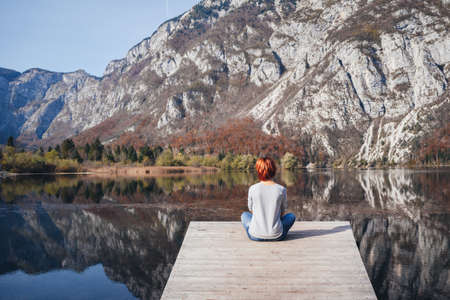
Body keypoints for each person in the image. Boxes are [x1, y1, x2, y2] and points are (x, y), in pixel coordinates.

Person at [241, 157, 296, 241]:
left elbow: (251, 209)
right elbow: (282, 212)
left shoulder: (252, 188)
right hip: (277, 236)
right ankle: (273, 229)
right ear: (273, 170)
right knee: (291, 216)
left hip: (255, 235)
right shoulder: (281, 189)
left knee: (244, 215)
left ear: (258, 171)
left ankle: (258, 228)